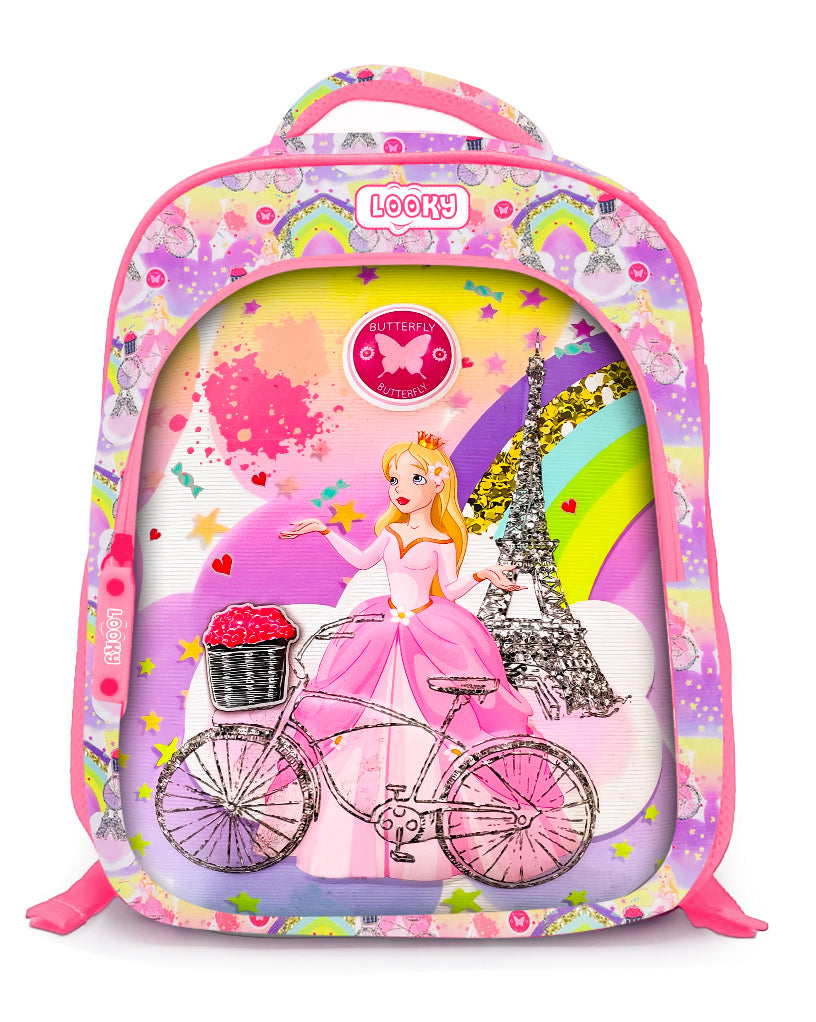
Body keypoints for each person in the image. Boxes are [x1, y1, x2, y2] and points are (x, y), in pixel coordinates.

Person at [277, 431, 537, 878]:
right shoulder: (392, 532)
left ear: (438, 484)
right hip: (382, 629)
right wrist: (325, 531)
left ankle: (432, 820)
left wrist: (482, 575)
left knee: (430, 721)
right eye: (394, 479)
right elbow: (361, 561)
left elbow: (448, 590)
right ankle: (360, 830)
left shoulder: (441, 541)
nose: (400, 489)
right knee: (359, 711)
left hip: (427, 631)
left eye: (414, 479)